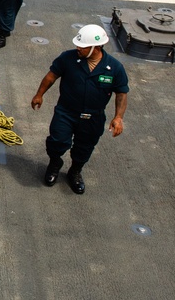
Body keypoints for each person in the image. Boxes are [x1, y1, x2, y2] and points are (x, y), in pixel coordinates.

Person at [31, 25, 129, 192]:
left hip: (93, 117)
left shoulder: (115, 68)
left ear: (96, 47)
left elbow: (121, 93)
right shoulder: (67, 58)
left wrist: (118, 117)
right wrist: (39, 94)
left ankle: (75, 171)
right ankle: (55, 163)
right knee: (57, 141)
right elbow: (51, 76)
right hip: (66, 112)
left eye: (82, 46)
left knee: (84, 147)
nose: (78, 48)